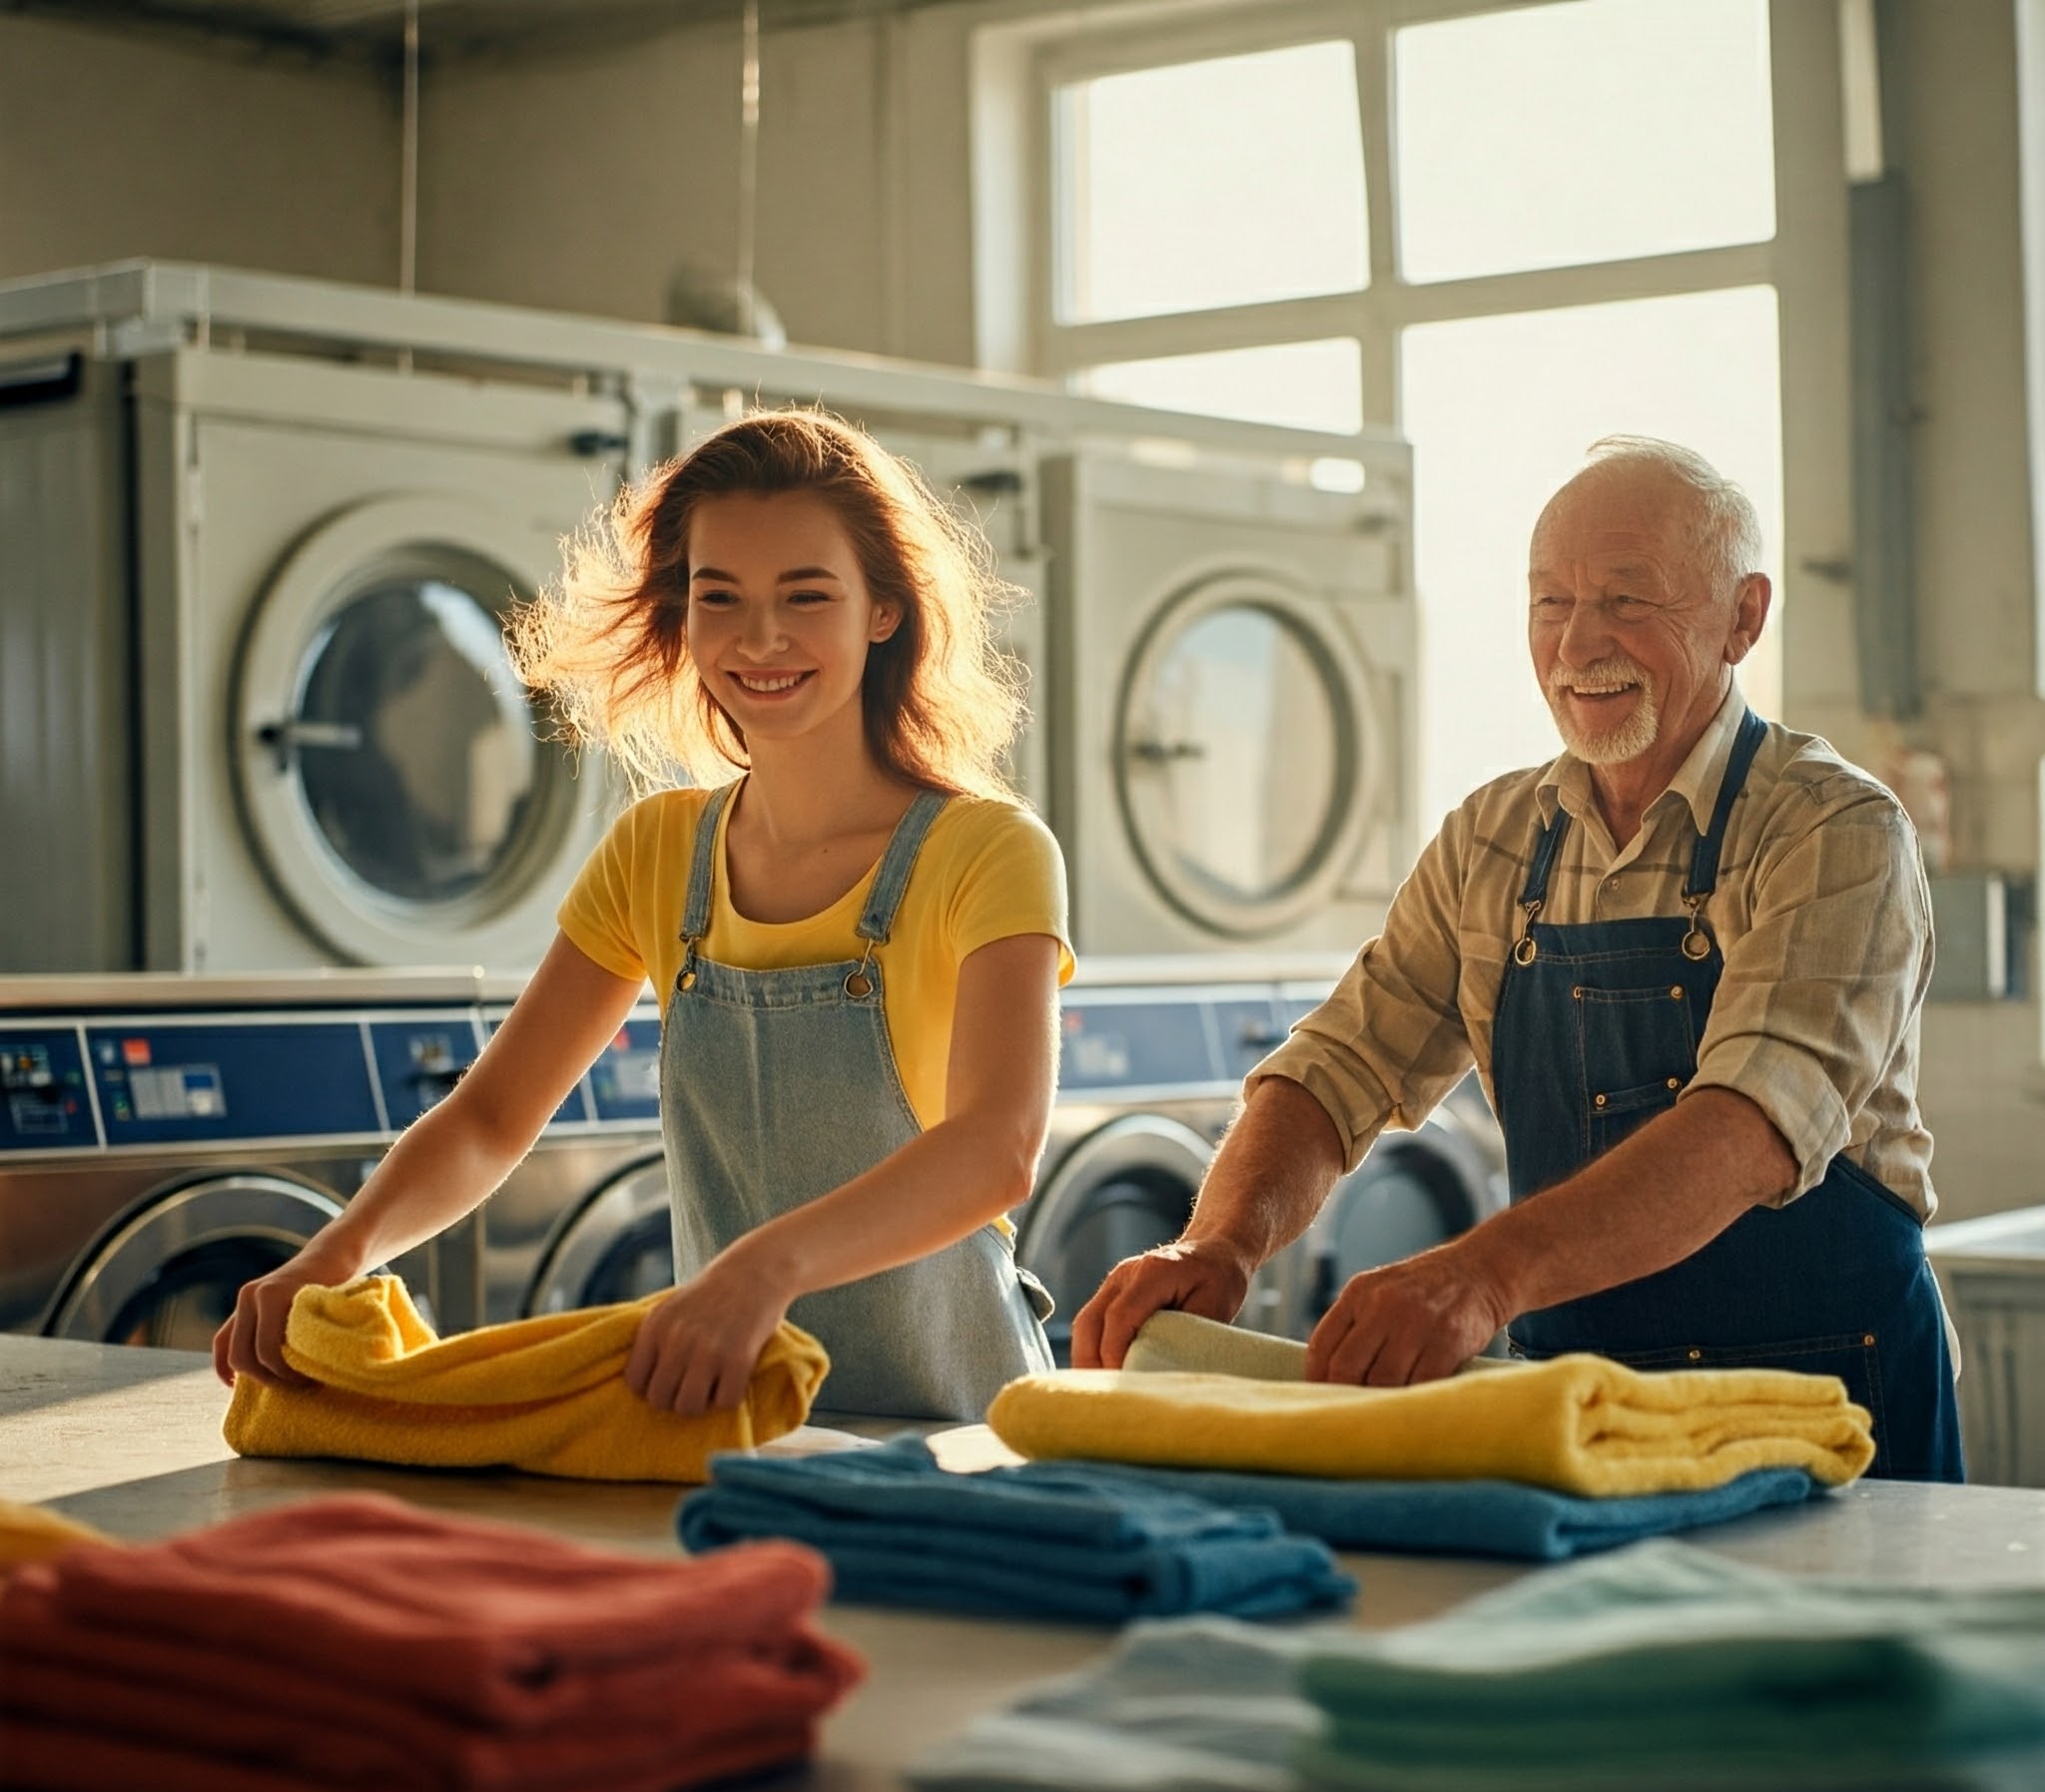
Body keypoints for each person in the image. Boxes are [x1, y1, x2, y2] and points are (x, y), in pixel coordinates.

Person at [1074, 435, 1963, 1483]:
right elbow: (1337, 1067)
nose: (1579, 642)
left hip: (1828, 1411)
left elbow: (1745, 1128)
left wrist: (1481, 1277)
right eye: (1549, 602)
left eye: (1627, 601)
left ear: (1741, 617)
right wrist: (1215, 1244)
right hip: (1581, 1413)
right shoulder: (1493, 836)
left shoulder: (1833, 828)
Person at [216, 410, 1070, 1422]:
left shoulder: (988, 851)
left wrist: (763, 1268)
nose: (759, 639)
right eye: (720, 597)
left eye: (806, 595)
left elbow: (994, 1146)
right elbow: (492, 1119)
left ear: (882, 610)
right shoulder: (657, 853)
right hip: (745, 1427)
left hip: (965, 1433)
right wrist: (337, 1251)